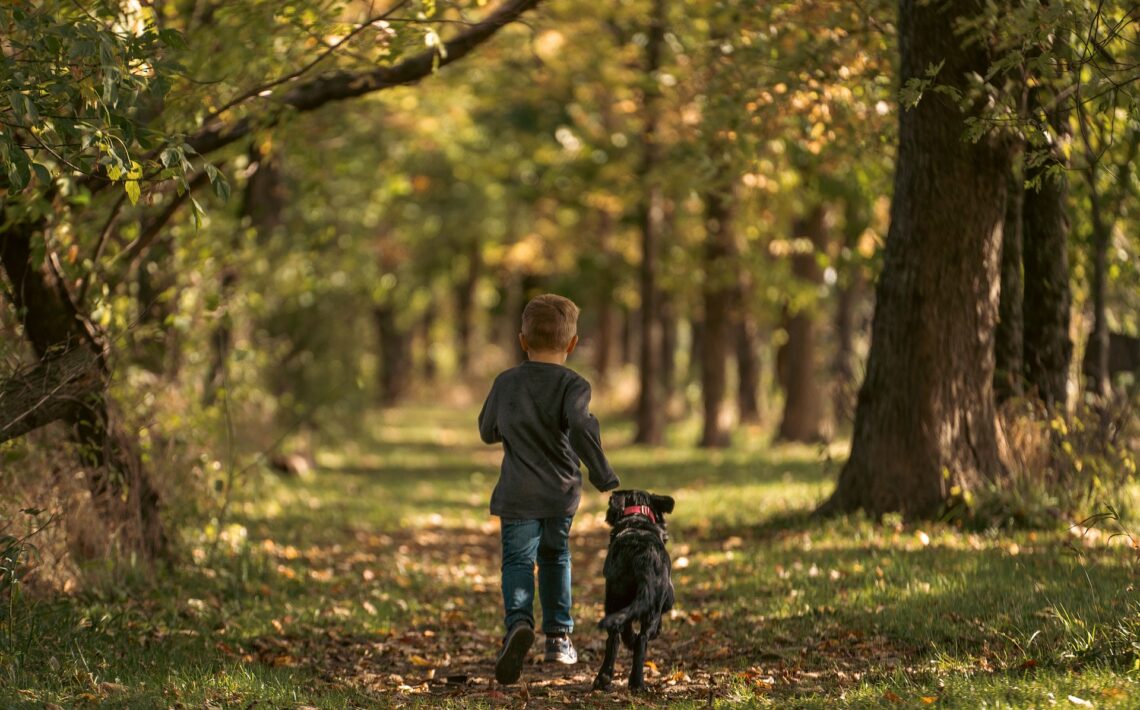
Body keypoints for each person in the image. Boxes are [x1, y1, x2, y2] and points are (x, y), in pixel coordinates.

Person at [478, 293, 620, 685]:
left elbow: (487, 430)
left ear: (522, 340)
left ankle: (518, 625)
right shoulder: (574, 385)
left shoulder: (506, 382)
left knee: (518, 562)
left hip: (517, 494)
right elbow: (581, 428)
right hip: (560, 494)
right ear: (572, 344)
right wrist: (604, 475)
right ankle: (558, 637)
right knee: (556, 556)